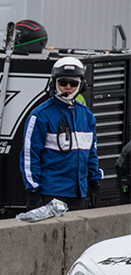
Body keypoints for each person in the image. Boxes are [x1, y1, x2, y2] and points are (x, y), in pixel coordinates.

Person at [21, 57, 101, 212]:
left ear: (81, 85)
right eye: (63, 83)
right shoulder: (40, 115)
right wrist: (33, 190)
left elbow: (91, 154)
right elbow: (29, 155)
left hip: (77, 193)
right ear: (54, 84)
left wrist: (95, 184)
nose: (68, 87)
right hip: (50, 192)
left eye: (73, 83)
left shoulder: (87, 116)